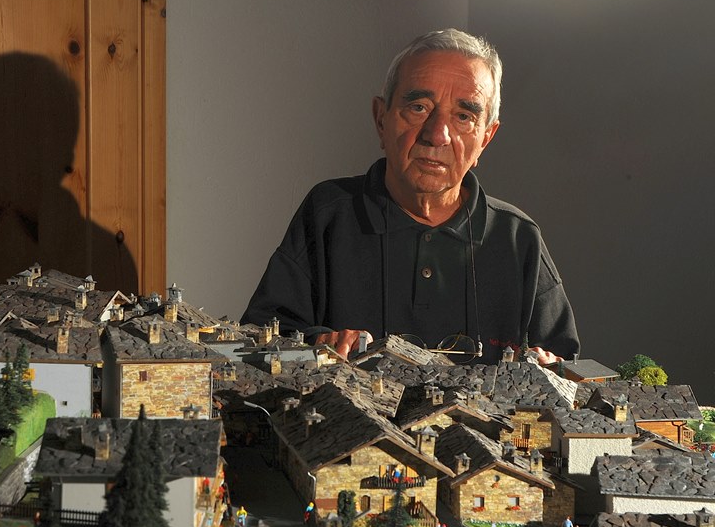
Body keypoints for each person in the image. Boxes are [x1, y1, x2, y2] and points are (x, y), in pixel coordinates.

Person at [242, 29, 578, 364]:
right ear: (381, 120)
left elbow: (567, 369)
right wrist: (318, 343)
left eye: (464, 117)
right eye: (418, 107)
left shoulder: (519, 238)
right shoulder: (328, 213)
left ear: (485, 139)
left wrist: (550, 366)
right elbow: (258, 339)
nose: (437, 135)